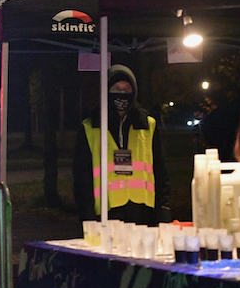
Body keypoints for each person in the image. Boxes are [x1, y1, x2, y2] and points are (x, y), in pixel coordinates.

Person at [72, 64, 171, 225]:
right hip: (106, 216)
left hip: (144, 215)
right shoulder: (91, 127)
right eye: (116, 87)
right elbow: (82, 180)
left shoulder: (148, 125)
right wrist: (87, 218)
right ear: (106, 91)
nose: (122, 93)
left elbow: (161, 172)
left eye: (127, 88)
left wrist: (164, 209)